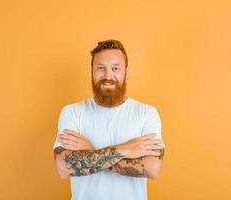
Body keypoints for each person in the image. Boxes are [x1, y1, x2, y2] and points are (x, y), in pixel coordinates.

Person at [53, 39, 165, 200]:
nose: (108, 75)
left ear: (125, 71)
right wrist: (125, 150)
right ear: (92, 71)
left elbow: (152, 169)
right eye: (100, 68)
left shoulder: (146, 113)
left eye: (115, 68)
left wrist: (91, 152)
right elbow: (64, 167)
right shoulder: (72, 112)